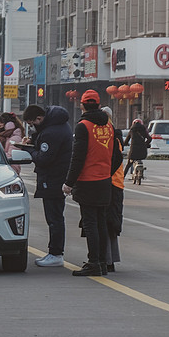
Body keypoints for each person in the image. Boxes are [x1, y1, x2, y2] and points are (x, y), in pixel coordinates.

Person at [63, 90, 115, 277]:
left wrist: (69, 182)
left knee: (90, 223)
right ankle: (101, 262)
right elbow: (115, 153)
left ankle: (93, 262)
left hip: (88, 181)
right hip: (104, 180)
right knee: (100, 222)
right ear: (99, 105)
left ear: (82, 105)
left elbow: (77, 158)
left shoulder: (83, 126)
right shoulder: (108, 125)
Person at [20, 104, 74, 268]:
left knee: (54, 218)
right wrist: (34, 141)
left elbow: (44, 158)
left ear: (39, 118)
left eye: (32, 123)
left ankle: (56, 253)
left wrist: (28, 150)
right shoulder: (56, 125)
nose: (32, 126)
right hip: (57, 176)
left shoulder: (52, 132)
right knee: (55, 217)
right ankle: (55, 252)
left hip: (53, 178)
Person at [101, 108, 126, 272]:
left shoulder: (108, 136)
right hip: (115, 183)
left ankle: (107, 259)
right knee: (110, 223)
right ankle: (109, 259)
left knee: (105, 223)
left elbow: (112, 160)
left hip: (109, 183)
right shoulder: (114, 135)